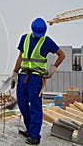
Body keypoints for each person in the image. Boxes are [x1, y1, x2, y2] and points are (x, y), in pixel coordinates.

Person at [11, 17, 65, 145]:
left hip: (36, 78)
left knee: (35, 106)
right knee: (22, 104)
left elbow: (62, 55)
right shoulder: (25, 38)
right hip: (23, 76)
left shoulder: (46, 41)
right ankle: (30, 130)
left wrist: (53, 68)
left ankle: (35, 136)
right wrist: (14, 72)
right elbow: (20, 57)